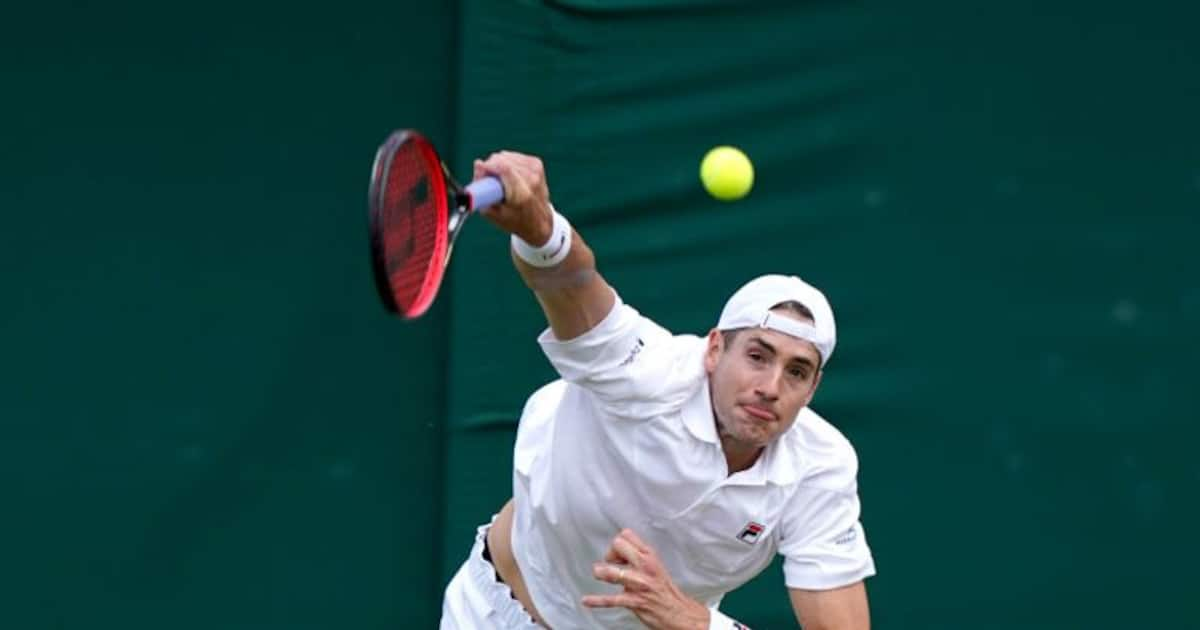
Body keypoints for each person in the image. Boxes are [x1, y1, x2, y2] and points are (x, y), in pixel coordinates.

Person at [439, 151, 876, 630]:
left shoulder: (821, 466)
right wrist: (538, 226)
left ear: (813, 389)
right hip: (499, 614)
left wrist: (697, 624)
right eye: (757, 355)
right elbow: (574, 285)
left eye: (796, 371)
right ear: (713, 350)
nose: (770, 387)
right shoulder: (649, 373)